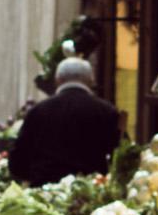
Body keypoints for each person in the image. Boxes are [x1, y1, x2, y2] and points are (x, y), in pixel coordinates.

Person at [8, 56, 123, 186]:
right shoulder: (107, 112)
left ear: (58, 80)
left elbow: (18, 159)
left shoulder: (38, 111)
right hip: (91, 192)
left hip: (44, 190)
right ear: (91, 81)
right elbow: (119, 157)